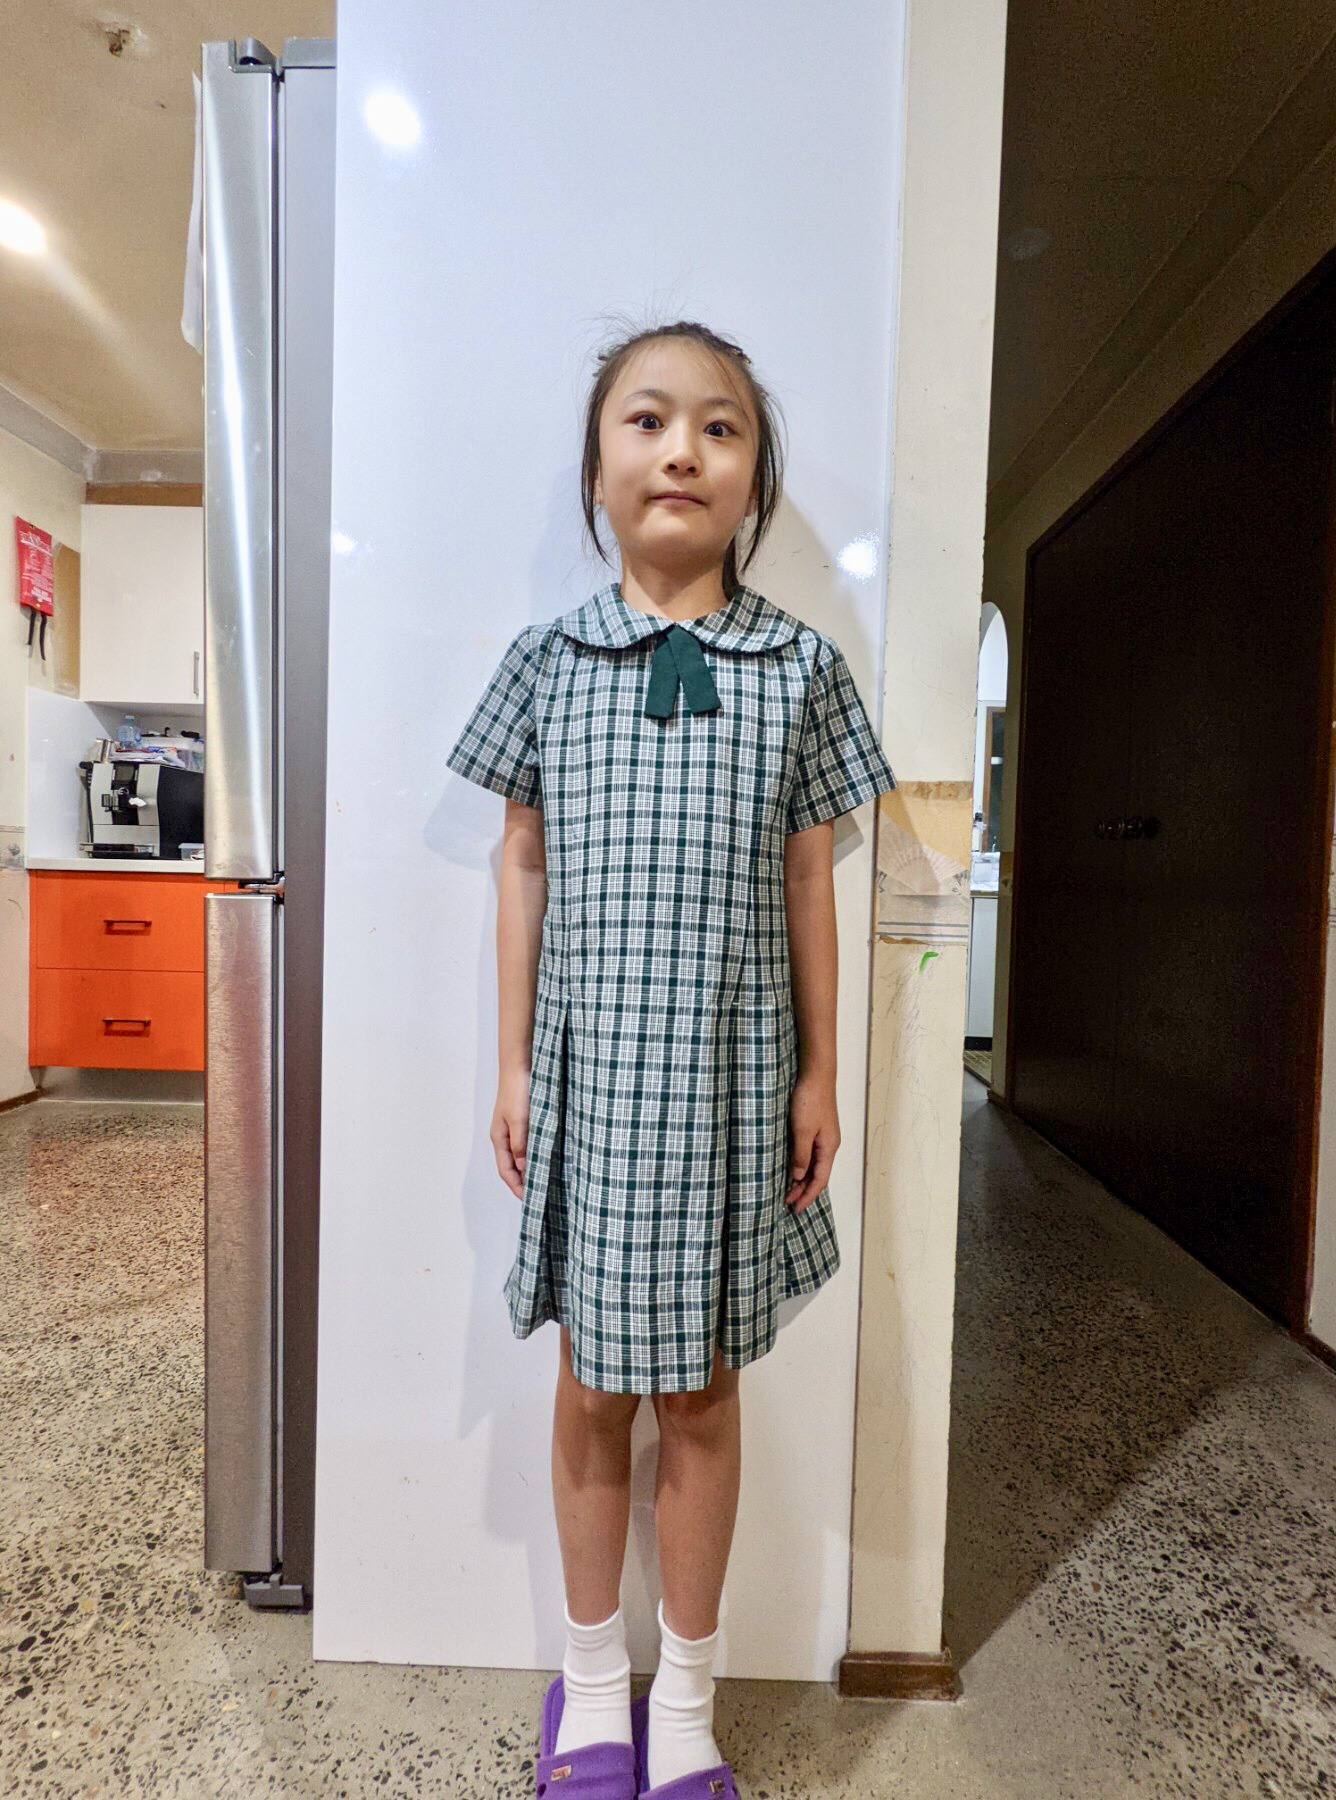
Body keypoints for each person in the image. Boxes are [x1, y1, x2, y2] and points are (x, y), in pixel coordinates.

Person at [445, 320, 897, 1799]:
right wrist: (513, 1065)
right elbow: (520, 864)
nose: (682, 450)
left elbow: (812, 877)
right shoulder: (547, 661)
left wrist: (821, 1073)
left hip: (732, 1088)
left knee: (700, 1391)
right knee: (591, 1388)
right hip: (593, 1086)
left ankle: (687, 1702)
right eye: (646, 420)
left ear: (753, 476)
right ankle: (591, 1689)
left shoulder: (800, 668)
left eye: (720, 426)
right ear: (597, 469)